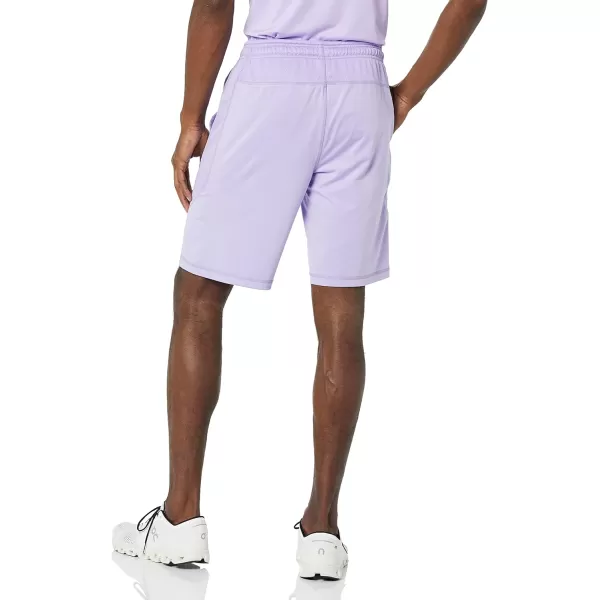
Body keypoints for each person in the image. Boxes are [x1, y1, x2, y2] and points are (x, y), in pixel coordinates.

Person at [113, 0, 487, 580]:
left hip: (271, 81)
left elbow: (213, 4)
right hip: (361, 88)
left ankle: (180, 517)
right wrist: (407, 95)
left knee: (198, 297)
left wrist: (191, 118)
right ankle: (323, 531)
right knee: (342, 314)